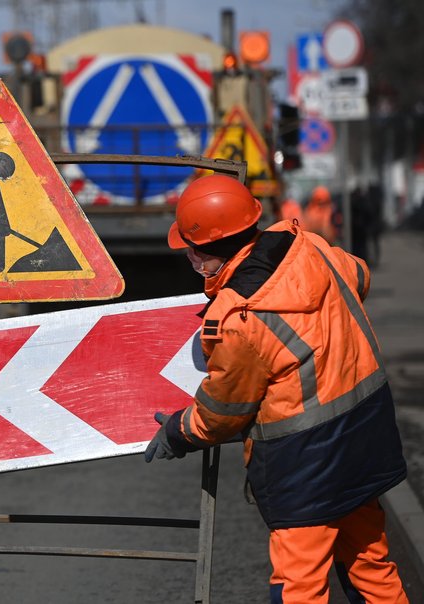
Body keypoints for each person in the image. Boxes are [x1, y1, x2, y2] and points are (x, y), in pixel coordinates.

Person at [146, 174, 408, 603]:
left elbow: (225, 411)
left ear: (210, 253)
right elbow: (359, 276)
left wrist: (180, 430)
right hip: (366, 434)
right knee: (370, 563)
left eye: (193, 254)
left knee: (299, 585)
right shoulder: (311, 246)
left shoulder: (238, 319)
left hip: (306, 462)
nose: (193, 263)